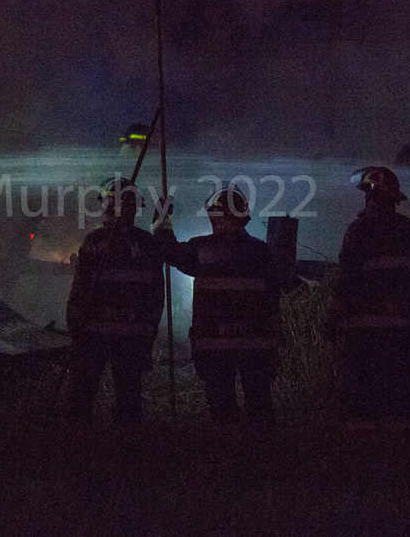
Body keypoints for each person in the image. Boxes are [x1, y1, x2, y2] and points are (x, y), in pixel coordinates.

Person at [155, 183, 281, 427]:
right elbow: (273, 298)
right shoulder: (261, 252)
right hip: (254, 345)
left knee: (222, 409)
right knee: (260, 405)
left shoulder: (201, 249)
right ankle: (264, 447)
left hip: (214, 345)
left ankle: (227, 446)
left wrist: (161, 219)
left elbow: (167, 249)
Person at [64, 177, 165, 432]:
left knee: (112, 399)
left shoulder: (106, 242)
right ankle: (96, 446)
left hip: (106, 337)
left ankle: (99, 446)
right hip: (109, 337)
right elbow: (80, 291)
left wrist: (76, 327)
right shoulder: (105, 242)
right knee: (91, 398)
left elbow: (155, 294)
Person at [331, 166, 410, 425]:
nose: (369, 201)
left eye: (370, 196)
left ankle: (365, 442)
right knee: (400, 396)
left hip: (364, 333)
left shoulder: (359, 232)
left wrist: (335, 317)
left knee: (363, 400)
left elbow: (346, 279)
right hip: (403, 330)